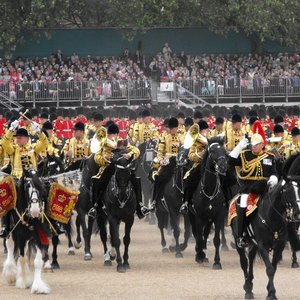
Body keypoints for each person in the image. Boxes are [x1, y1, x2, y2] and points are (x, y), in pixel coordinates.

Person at [228, 121, 278, 248]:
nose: (253, 147)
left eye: (256, 145)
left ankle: (281, 233)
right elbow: (231, 161)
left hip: (266, 187)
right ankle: (240, 235)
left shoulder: (269, 157)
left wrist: (273, 179)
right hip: (248, 188)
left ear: (262, 145)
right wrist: (239, 146)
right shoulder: (245, 155)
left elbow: (275, 172)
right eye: (252, 145)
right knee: (243, 202)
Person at [88, 123, 150, 219]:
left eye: (112, 134)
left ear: (117, 134)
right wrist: (105, 158)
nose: (110, 136)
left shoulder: (122, 142)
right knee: (97, 181)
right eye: (109, 134)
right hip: (108, 167)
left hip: (122, 167)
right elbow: (96, 157)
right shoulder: (103, 143)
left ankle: (140, 206)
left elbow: (136, 150)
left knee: (136, 180)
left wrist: (129, 155)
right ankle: (94, 207)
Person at [0, 119, 48, 238]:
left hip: (32, 178)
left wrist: (39, 131)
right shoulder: (13, 149)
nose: (17, 139)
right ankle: (5, 225)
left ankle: (51, 221)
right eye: (16, 137)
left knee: (46, 191)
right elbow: (5, 143)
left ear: (26, 138)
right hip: (16, 179)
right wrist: (10, 130)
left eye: (20, 137)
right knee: (4, 197)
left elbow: (44, 143)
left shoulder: (33, 148)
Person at [150, 117, 184, 210]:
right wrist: (161, 160)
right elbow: (160, 152)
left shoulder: (182, 137)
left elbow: (184, 149)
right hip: (168, 162)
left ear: (176, 128)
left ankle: (188, 202)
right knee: (159, 178)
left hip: (179, 162)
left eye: (172, 128)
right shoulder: (164, 137)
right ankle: (154, 201)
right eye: (170, 128)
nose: (170, 130)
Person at [180, 121, 209, 214]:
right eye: (205, 130)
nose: (207, 132)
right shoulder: (195, 141)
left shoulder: (210, 139)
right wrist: (200, 154)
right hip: (199, 165)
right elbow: (191, 156)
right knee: (189, 180)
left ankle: (227, 202)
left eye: (207, 130)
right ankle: (186, 203)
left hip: (211, 165)